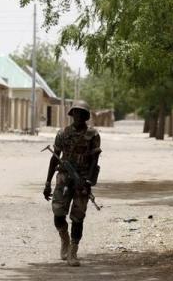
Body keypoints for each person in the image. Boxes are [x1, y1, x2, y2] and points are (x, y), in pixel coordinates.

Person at [43, 100, 101, 267]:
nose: (78, 115)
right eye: (75, 112)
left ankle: (73, 251)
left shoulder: (93, 135)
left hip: (82, 180)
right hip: (63, 178)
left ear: (86, 116)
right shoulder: (63, 133)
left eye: (81, 113)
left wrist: (89, 180)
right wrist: (47, 183)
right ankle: (64, 239)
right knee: (58, 213)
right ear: (72, 114)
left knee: (78, 216)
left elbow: (95, 159)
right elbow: (54, 157)